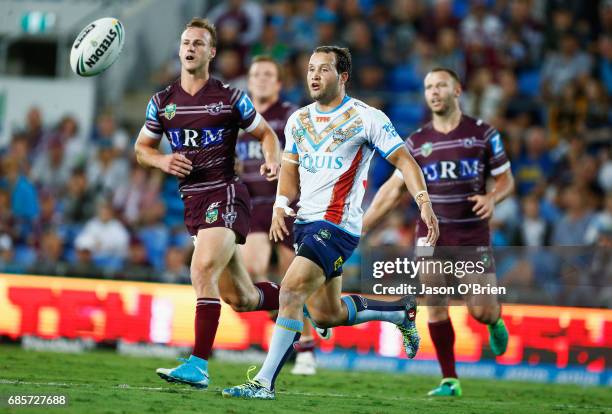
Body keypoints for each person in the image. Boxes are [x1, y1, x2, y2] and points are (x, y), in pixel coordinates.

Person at [222, 46, 439, 400]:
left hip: (338, 227)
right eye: (310, 68)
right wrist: (279, 204)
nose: (314, 75)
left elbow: (407, 162)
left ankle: (262, 383)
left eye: (323, 69)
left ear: (343, 77)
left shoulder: (367, 117)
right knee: (326, 314)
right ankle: (400, 311)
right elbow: (289, 169)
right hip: (304, 222)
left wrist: (424, 203)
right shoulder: (299, 120)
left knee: (291, 291)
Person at [134, 18, 282, 389]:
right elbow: (141, 149)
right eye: (186, 42)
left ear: (211, 52)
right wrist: (161, 161)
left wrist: (272, 158)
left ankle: (198, 364)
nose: (190, 48)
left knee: (201, 271)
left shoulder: (230, 97)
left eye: (199, 43)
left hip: (226, 192)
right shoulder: (161, 102)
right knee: (242, 298)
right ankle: (298, 299)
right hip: (193, 202)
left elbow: (266, 134)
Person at [362, 68, 514, 397]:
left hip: (470, 236)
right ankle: (450, 379)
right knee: (435, 301)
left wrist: (492, 197)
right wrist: (357, 229)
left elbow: (506, 180)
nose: (434, 91)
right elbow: (391, 191)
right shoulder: (417, 142)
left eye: (441, 85)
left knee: (481, 311)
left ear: (457, 90)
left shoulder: (483, 134)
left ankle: (495, 320)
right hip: (430, 235)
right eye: (429, 86)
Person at [237, 55, 319, 375]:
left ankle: (307, 348)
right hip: (253, 204)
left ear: (279, 83)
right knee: (252, 270)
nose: (260, 79)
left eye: (268, 74)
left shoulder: (290, 116)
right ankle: (291, 326)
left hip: (286, 202)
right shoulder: (241, 117)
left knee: (291, 280)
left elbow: (307, 155)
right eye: (255, 73)